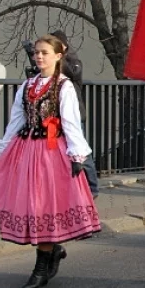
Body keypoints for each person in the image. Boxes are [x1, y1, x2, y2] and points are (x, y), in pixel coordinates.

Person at [0, 34, 101, 288]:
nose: (39, 56)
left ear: (58, 56)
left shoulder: (64, 86)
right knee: (30, 205)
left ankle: (41, 266)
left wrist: (77, 156)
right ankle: (52, 251)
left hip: (53, 152)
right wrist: (2, 149)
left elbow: (72, 123)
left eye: (45, 53)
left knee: (44, 207)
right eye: (37, 52)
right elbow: (16, 120)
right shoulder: (27, 86)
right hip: (26, 150)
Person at [49, 30, 100, 198]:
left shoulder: (73, 60)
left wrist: (59, 58)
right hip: (54, 116)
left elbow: (73, 73)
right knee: (55, 150)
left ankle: (92, 189)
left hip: (75, 115)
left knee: (81, 151)